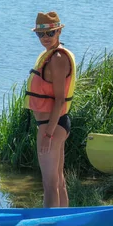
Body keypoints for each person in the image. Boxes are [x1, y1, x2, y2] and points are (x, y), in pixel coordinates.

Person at [24, 11, 76, 208]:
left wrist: (48, 133)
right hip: (54, 125)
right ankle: (63, 221)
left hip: (51, 126)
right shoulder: (52, 55)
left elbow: (60, 99)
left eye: (50, 33)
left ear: (59, 32)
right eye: (40, 34)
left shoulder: (58, 58)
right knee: (58, 180)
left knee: (49, 184)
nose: (45, 38)